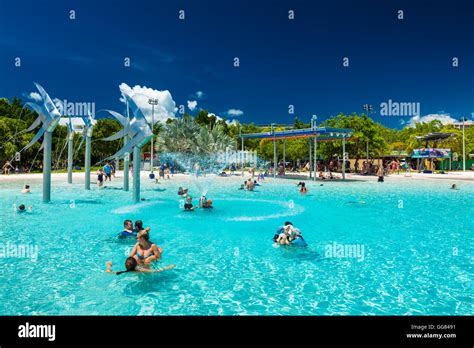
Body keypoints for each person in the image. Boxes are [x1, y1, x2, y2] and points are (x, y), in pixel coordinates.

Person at [106, 258, 175, 275]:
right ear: (136, 264)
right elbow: (156, 271)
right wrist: (169, 267)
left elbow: (108, 272)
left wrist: (109, 265)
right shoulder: (140, 270)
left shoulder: (125, 271)